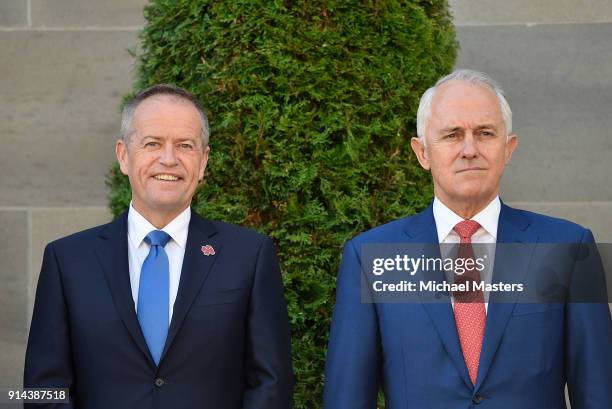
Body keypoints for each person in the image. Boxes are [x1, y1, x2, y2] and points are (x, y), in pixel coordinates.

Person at [323, 69, 611, 408]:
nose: (469, 149)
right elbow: (348, 397)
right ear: (422, 153)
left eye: (485, 133)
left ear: (509, 148)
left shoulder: (569, 248)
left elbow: (598, 393)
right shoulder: (369, 257)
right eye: (452, 135)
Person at [24, 84, 294, 409]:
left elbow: (271, 385)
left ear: (203, 162)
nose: (169, 159)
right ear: (124, 156)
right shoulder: (67, 261)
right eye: (153, 143)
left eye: (185, 145)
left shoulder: (249, 256)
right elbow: (42, 390)